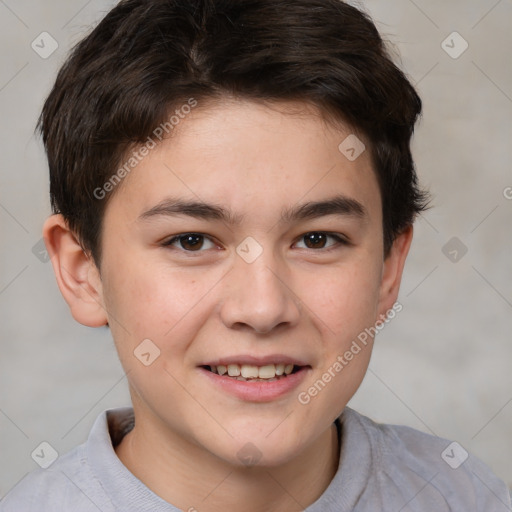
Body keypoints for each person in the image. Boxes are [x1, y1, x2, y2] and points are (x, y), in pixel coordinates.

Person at [2, 0, 510, 510]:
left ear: (388, 268)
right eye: (191, 241)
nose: (263, 308)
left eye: (317, 239)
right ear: (83, 273)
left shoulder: (463, 495)